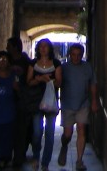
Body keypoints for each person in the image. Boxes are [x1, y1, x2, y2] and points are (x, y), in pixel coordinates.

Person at [56, 42, 99, 171]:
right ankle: (64, 146)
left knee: (81, 130)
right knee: (68, 134)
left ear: (82, 55)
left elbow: (93, 84)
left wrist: (94, 101)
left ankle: (79, 160)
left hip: (83, 104)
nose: (76, 57)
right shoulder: (64, 68)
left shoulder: (87, 67)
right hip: (68, 105)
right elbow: (57, 83)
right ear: (69, 55)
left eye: (79, 55)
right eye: (73, 55)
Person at [26, 39, 61, 171]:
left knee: (50, 135)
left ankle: (45, 163)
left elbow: (59, 83)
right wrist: (39, 79)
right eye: (41, 46)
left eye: (45, 46)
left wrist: (50, 80)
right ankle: (36, 156)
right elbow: (28, 82)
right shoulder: (33, 64)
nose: (43, 49)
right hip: (36, 102)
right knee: (37, 132)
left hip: (51, 102)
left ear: (49, 48)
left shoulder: (56, 64)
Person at [6, 37, 32, 170]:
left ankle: (18, 158)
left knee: (21, 130)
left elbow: (30, 80)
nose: (7, 48)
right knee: (6, 128)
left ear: (15, 47)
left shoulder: (26, 62)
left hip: (21, 100)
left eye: (9, 45)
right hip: (7, 100)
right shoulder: (6, 60)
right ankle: (6, 156)